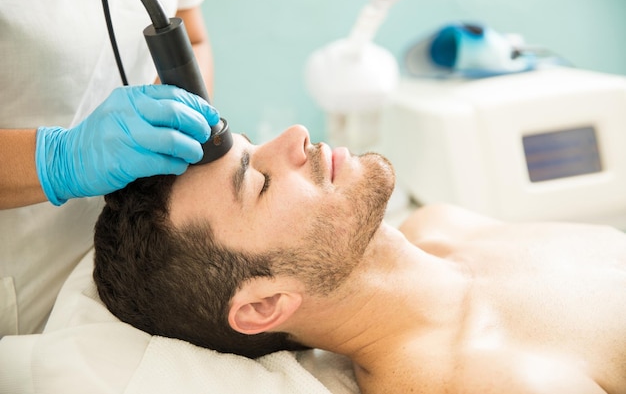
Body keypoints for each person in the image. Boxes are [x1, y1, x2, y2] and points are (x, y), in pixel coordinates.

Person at [93, 125, 626, 394]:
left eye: (255, 144)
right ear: (265, 304)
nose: (297, 138)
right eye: (260, 180)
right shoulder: (486, 379)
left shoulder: (440, 226)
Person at [0, 0, 216, 337]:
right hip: (20, 280)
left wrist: (180, 113)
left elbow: (194, 37)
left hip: (123, 282)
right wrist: (60, 160)